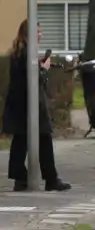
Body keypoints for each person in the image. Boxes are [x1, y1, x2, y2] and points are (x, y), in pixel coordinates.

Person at [4, 20, 69, 192]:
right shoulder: (27, 54)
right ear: (29, 34)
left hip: (19, 104)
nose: (41, 35)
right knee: (44, 139)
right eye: (38, 32)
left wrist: (37, 66)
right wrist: (43, 69)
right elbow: (32, 80)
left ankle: (20, 177)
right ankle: (50, 179)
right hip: (31, 105)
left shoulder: (20, 52)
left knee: (21, 140)